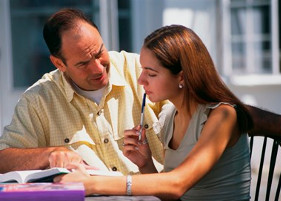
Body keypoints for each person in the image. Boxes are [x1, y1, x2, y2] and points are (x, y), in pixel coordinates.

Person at [0, 8, 281, 175]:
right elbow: (3, 158)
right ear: (58, 63)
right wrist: (51, 154)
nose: (99, 68)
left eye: (99, 52)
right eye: (82, 63)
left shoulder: (138, 69)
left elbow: (215, 109)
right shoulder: (40, 99)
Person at [54, 24, 257, 200]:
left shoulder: (222, 116)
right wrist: (146, 165)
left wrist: (90, 184)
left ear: (182, 77)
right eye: (142, 70)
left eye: (151, 73)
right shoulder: (169, 117)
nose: (141, 80)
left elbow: (177, 185)